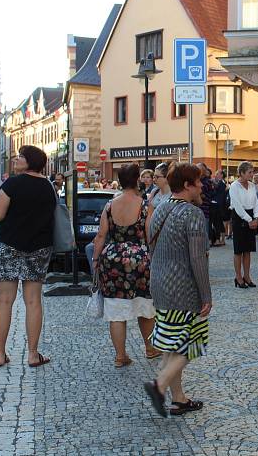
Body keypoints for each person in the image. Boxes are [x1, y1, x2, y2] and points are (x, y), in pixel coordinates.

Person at [143, 163, 211, 417]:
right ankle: (159, 385)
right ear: (187, 185)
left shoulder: (160, 208)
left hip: (160, 284)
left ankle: (179, 399)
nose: (202, 186)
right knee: (192, 342)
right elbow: (198, 259)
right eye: (198, 181)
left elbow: (151, 246)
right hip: (183, 288)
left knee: (172, 344)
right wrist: (206, 294)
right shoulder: (192, 214)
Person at [0, 145, 55, 368]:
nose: (16, 159)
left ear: (30, 162)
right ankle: (33, 354)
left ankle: (0, 354)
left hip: (9, 245)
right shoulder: (48, 187)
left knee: (5, 300)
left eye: (20, 157)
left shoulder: (12, 184)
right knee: (33, 301)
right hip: (38, 247)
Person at [92, 163, 160, 367]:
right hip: (140, 260)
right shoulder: (146, 206)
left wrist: (96, 260)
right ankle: (150, 349)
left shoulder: (110, 205)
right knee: (145, 306)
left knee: (115, 310)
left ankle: (120, 356)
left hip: (112, 259)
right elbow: (150, 235)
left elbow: (101, 235)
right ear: (137, 179)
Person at [229, 161, 258, 288]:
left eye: (252, 172)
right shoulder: (234, 186)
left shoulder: (252, 186)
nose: (252, 175)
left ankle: (247, 276)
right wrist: (249, 220)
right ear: (241, 173)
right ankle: (238, 276)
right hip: (239, 217)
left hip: (251, 215)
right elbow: (237, 206)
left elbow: (256, 202)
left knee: (248, 250)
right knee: (239, 250)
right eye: (249, 172)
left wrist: (256, 218)